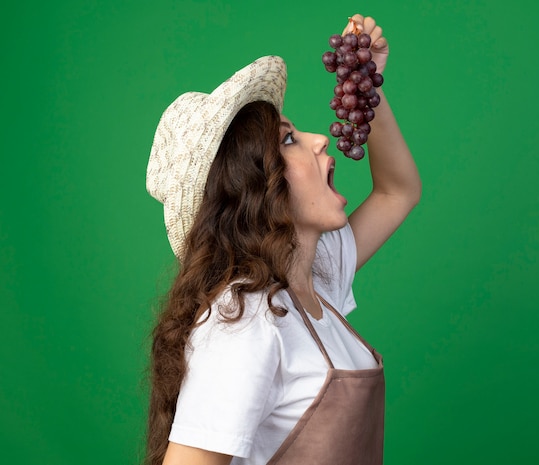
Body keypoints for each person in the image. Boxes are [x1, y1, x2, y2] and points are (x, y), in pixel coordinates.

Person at [145, 14, 421, 465]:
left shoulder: (314, 283)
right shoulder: (244, 319)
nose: (319, 140)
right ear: (254, 188)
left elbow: (398, 191)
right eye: (289, 140)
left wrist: (368, 84)